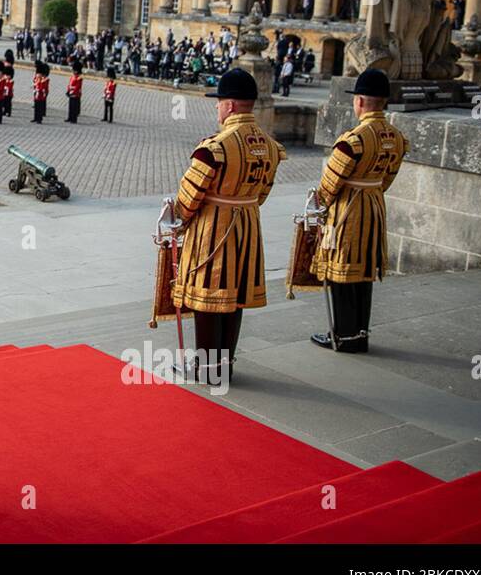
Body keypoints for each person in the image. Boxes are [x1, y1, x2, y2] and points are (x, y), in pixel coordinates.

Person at [170, 69, 286, 383]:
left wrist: (178, 220)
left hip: (213, 230)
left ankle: (207, 369)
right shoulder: (270, 146)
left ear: (231, 106)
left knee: (207, 296)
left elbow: (188, 198)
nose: (217, 108)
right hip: (247, 226)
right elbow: (262, 194)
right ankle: (225, 364)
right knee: (235, 296)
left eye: (219, 103)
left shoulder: (216, 147)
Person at [310, 69, 409, 353]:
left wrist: (321, 205)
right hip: (375, 205)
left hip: (348, 209)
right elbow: (388, 178)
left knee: (341, 273)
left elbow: (329, 183)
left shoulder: (354, 140)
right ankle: (360, 332)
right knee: (365, 272)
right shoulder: (396, 137)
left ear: (361, 102)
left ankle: (342, 335)